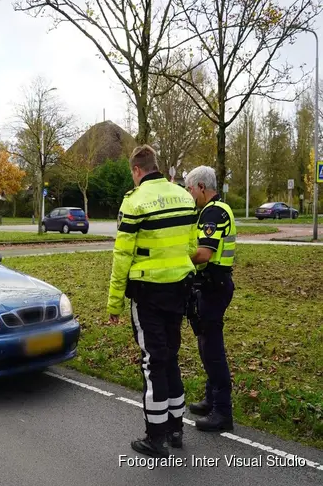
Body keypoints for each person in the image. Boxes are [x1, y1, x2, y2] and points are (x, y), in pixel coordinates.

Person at [106, 145, 198, 457]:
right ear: (156, 165)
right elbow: (191, 245)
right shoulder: (184, 196)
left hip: (148, 294)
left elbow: (122, 257)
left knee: (153, 362)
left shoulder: (134, 203)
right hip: (179, 289)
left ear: (136, 170)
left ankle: (154, 437)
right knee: (170, 356)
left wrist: (114, 303)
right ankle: (176, 429)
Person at [184, 166, 236, 432]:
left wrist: (177, 257)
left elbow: (203, 254)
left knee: (212, 349)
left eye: (190, 189)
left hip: (214, 288)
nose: (189, 194)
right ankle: (211, 399)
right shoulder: (213, 209)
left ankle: (222, 412)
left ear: (201, 187)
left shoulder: (212, 213)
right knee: (207, 345)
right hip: (213, 286)